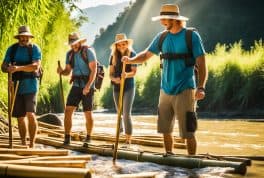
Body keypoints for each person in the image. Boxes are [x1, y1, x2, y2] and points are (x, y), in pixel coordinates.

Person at [122, 4, 208, 155]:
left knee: (189, 131)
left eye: (164, 19)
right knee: (165, 129)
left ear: (174, 19)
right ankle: (169, 157)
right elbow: (145, 55)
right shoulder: (161, 37)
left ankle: (192, 163)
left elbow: (202, 63)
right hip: (165, 90)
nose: (161, 22)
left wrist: (201, 87)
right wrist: (130, 60)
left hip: (186, 89)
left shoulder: (191, 36)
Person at [1, 25, 42, 148]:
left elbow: (35, 66)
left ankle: (32, 144)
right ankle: (24, 143)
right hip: (15, 86)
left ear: (29, 37)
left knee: (30, 114)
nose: (24, 39)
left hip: (31, 86)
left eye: (26, 37)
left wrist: (18, 68)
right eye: (22, 37)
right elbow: (3, 66)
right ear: (18, 37)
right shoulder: (12, 49)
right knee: (20, 117)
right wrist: (8, 69)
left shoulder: (34, 49)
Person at [57, 32, 97, 145]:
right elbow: (67, 71)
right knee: (68, 110)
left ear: (80, 42)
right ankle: (67, 137)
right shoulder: (69, 54)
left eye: (75, 43)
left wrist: (88, 86)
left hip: (88, 84)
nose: (73, 45)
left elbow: (94, 70)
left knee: (87, 112)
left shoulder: (88, 51)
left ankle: (89, 137)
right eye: (71, 43)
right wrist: (61, 71)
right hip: (76, 85)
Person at [109, 33, 137, 144]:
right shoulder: (113, 56)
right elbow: (110, 74)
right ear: (116, 46)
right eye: (119, 45)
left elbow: (134, 72)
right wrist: (115, 80)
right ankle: (119, 134)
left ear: (127, 44)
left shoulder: (132, 54)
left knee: (126, 113)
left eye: (123, 44)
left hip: (129, 87)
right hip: (116, 88)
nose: (121, 46)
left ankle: (128, 139)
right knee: (119, 112)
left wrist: (126, 75)